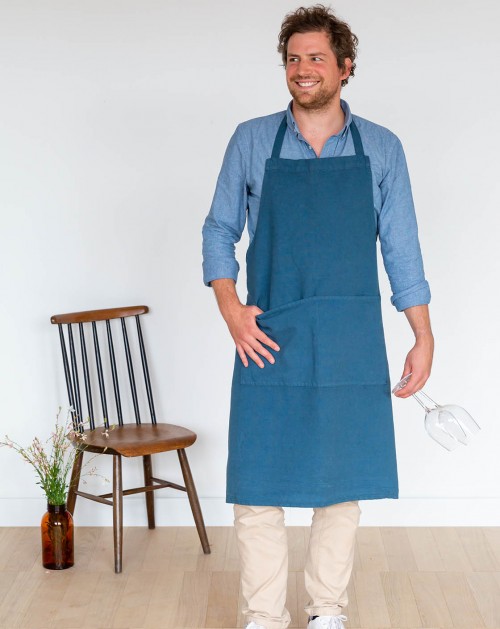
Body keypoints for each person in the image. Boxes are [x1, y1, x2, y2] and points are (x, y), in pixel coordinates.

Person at [202, 5, 434, 629]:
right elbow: (219, 229)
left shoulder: (381, 148)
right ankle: (264, 617)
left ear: (345, 67)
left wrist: (422, 334)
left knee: (340, 483)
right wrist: (231, 310)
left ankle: (327, 612)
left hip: (348, 339)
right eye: (293, 59)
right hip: (268, 335)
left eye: (317, 58)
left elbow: (402, 249)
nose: (303, 69)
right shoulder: (252, 140)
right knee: (258, 484)